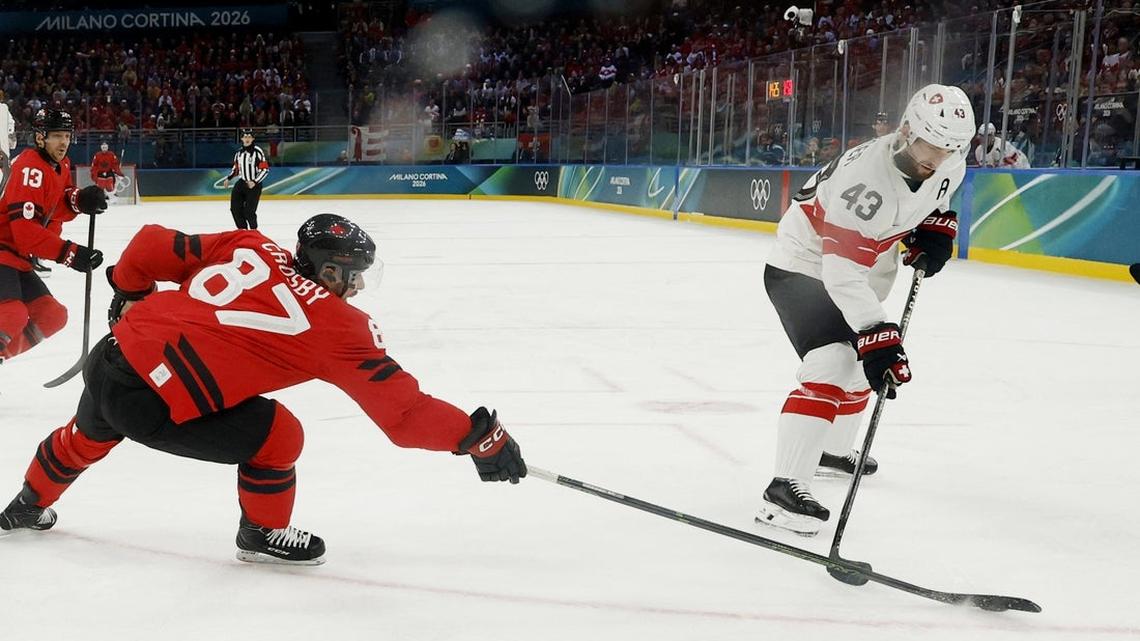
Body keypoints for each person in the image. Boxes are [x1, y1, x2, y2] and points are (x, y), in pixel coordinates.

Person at [0, 214, 527, 566]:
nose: (360, 285)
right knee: (281, 435)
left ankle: (26, 505)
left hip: (113, 356)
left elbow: (146, 246)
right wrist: (479, 437)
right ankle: (261, 533)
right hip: (154, 401)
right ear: (326, 269)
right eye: (355, 274)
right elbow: (406, 416)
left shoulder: (252, 244)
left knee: (83, 436)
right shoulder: (341, 326)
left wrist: (131, 296)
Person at [756, 84, 974, 536]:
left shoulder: (950, 160)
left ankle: (831, 452)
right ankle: (783, 488)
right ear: (907, 130)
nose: (936, 159)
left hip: (865, 266)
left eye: (949, 149)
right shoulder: (866, 182)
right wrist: (878, 334)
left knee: (860, 364)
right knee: (834, 358)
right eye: (929, 147)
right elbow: (840, 276)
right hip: (804, 266)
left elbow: (937, 193)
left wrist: (933, 228)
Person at [0, 108, 107, 364]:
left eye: (67, 136)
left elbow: (55, 203)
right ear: (40, 138)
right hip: (3, 250)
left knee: (52, 315)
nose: (63, 143)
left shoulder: (60, 165)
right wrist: (70, 253)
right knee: (11, 314)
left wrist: (80, 200)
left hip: (16, 258)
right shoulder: (29, 169)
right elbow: (26, 233)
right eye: (56, 136)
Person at [223, 128, 268, 230]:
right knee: (235, 209)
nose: (247, 138)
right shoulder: (238, 153)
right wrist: (228, 178)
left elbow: (265, 170)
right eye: (245, 137)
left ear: (253, 139)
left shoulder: (258, 152)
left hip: (254, 185)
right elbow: (236, 169)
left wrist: (255, 181)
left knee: (249, 212)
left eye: (249, 137)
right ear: (241, 139)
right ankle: (243, 231)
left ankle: (253, 231)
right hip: (242, 183)